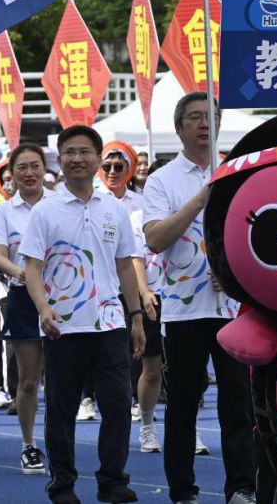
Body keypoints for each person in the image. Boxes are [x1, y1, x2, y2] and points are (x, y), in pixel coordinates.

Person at [142, 93, 257, 504]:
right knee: (184, 404)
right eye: (194, 118)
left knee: (238, 403)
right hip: (183, 310)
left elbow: (256, 235)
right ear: (179, 127)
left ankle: (242, 487)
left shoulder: (240, 172)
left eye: (211, 117)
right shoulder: (162, 181)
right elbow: (155, 238)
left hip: (231, 309)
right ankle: (182, 490)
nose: (204, 124)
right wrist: (199, 199)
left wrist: (237, 272)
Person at [22, 125, 146, 504]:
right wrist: (44, 307)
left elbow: (126, 265)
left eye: (85, 152)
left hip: (109, 322)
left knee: (117, 405)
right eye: (70, 152)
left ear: (96, 157)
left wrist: (136, 316)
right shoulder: (45, 210)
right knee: (61, 408)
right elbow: (32, 267)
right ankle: (63, 484)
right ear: (59, 159)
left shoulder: (115, 209)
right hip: (64, 326)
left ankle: (112, 481)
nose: (78, 158)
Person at [0, 143, 51, 474]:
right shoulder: (4, 212)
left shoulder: (59, 204)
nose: (29, 173)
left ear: (44, 169)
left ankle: (60, 439)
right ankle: (29, 445)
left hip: (62, 298)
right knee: (28, 379)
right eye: (22, 167)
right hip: (23, 298)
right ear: (12, 174)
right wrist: (19, 272)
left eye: (35, 166)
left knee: (61, 377)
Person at [100, 142, 161, 452]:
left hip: (139, 292)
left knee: (152, 362)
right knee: (117, 360)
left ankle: (151, 421)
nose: (112, 171)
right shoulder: (93, 200)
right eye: (107, 165)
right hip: (104, 290)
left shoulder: (140, 205)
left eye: (119, 166)